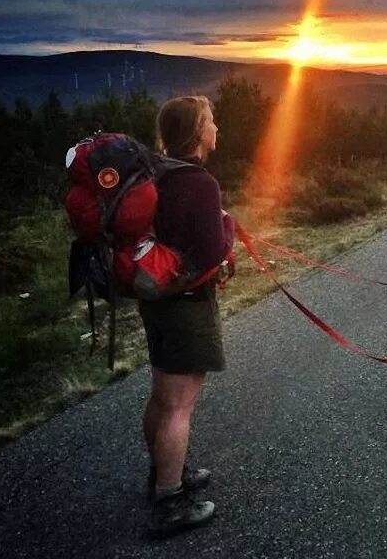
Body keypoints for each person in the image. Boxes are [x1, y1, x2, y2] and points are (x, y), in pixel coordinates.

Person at [140, 96, 235, 538]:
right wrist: (228, 225)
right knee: (179, 404)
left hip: (157, 297)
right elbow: (214, 250)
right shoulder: (200, 182)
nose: (217, 127)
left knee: (162, 394)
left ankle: (162, 472)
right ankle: (169, 501)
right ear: (199, 131)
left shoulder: (157, 171)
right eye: (212, 120)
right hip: (187, 302)